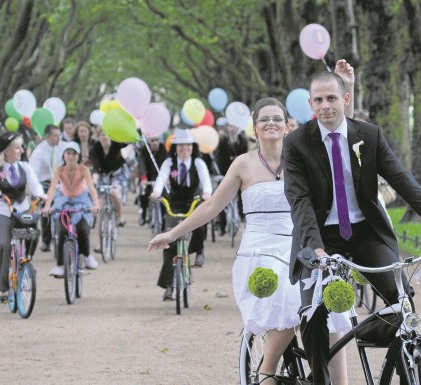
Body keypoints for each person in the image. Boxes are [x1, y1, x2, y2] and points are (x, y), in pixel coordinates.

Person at [148, 100, 348, 385]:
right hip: (261, 250)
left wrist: (347, 90)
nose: (271, 123)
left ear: (287, 126)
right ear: (254, 128)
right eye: (264, 119)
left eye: (277, 119)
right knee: (292, 302)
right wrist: (173, 233)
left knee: (331, 306)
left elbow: (342, 135)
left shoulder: (302, 159)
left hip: (299, 246)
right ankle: (267, 370)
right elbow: (212, 206)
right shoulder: (243, 164)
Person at [283, 71, 421, 385]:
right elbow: (300, 200)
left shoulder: (369, 135)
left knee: (400, 300)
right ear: (310, 104)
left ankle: (406, 370)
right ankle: (320, 378)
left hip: (365, 232)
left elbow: (401, 178)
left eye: (331, 98)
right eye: (318, 100)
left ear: (345, 99)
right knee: (314, 310)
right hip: (320, 238)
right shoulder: (296, 143)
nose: (325, 106)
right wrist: (316, 248)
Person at [149, 128, 212, 300]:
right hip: (174, 203)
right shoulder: (170, 162)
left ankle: (199, 251)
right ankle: (168, 286)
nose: (184, 149)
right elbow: (161, 178)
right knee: (168, 241)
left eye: (188, 145)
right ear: (175, 148)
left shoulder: (198, 162)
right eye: (180, 146)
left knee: (199, 223)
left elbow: (206, 179)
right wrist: (156, 192)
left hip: (193, 200)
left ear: (192, 147)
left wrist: (207, 193)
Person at [0, 132, 47, 302]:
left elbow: (35, 185)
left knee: (34, 232)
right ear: (7, 151)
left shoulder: (25, 167)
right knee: (3, 244)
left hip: (21, 208)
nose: (20, 150)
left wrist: (41, 195)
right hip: (2, 209)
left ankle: (27, 263)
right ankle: (4, 286)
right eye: (17, 148)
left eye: (20, 147)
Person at [42, 142, 100, 275]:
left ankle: (87, 256)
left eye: (74, 153)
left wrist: (95, 204)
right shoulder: (60, 169)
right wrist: (47, 206)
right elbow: (52, 188)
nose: (71, 156)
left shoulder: (84, 169)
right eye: (68, 153)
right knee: (62, 231)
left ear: (78, 156)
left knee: (82, 229)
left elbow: (91, 188)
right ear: (64, 155)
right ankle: (60, 266)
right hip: (64, 201)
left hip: (82, 200)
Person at [28, 124, 72, 252]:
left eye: (59, 135)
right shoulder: (39, 152)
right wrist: (37, 192)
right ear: (47, 136)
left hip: (62, 180)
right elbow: (33, 173)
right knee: (46, 207)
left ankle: (68, 232)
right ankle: (46, 240)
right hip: (45, 182)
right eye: (55, 136)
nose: (58, 138)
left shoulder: (64, 147)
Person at [90, 130, 129, 228]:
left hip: (118, 174)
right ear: (98, 137)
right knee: (100, 204)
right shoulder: (95, 149)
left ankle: (120, 216)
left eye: (108, 134)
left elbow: (127, 143)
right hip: (103, 175)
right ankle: (100, 242)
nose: (105, 137)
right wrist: (93, 182)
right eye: (102, 134)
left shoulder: (116, 144)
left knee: (114, 192)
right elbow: (95, 167)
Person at [136, 135, 167, 225]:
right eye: (152, 140)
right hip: (148, 177)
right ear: (148, 141)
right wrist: (143, 178)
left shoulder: (164, 149)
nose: (155, 143)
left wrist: (167, 179)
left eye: (157, 140)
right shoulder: (144, 150)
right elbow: (141, 165)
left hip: (161, 177)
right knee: (144, 194)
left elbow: (168, 164)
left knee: (165, 196)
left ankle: (164, 217)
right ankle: (143, 214)